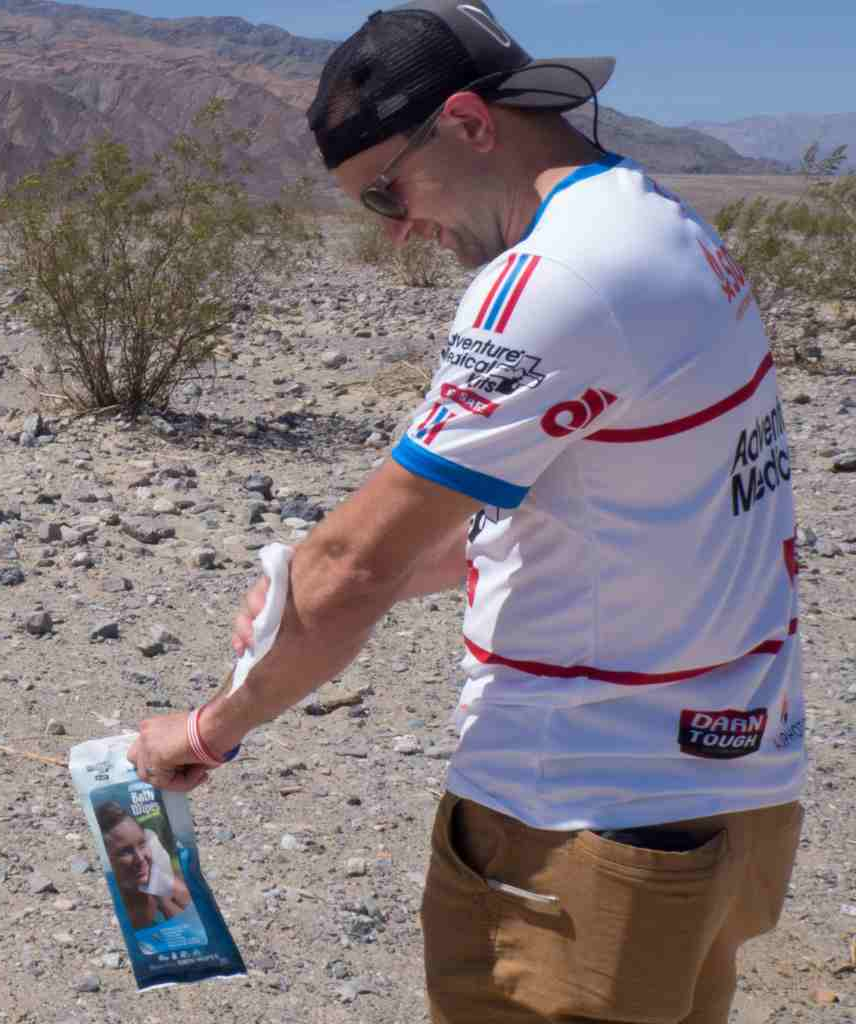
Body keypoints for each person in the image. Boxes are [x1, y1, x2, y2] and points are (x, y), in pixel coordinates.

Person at [128, 1, 806, 1020]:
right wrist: (389, 573)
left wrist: (208, 729)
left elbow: (349, 564)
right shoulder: (657, 222)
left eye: (385, 192)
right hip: (727, 802)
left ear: (468, 123)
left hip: (578, 826)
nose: (398, 231)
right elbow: (626, 510)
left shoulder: (551, 277)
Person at [94, 801, 191, 930]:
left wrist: (162, 900)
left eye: (142, 844)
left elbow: (197, 931)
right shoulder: (106, 906)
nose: (140, 858)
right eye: (125, 851)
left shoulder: (173, 889)